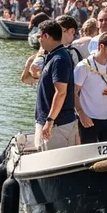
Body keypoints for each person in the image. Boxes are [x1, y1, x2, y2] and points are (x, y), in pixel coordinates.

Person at [33, 19, 77, 150]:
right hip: (49, 123)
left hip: (58, 125)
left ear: (46, 36)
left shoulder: (59, 59)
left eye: (39, 36)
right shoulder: (53, 56)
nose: (38, 40)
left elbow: (61, 92)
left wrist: (50, 120)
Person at [74, 30, 107, 144]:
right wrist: (81, 114)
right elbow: (73, 92)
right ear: (101, 46)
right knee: (88, 157)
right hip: (89, 118)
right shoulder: (83, 66)